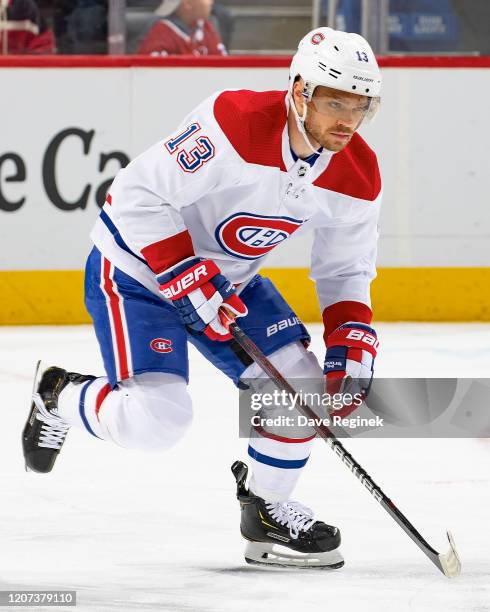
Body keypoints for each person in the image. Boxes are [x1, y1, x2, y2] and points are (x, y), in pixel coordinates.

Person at [22, 27, 382, 569]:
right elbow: (135, 194)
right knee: (157, 422)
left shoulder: (356, 173)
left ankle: (266, 511)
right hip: (138, 273)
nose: (348, 120)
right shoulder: (235, 123)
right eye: (335, 102)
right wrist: (185, 273)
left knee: (301, 391)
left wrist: (351, 342)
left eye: (360, 106)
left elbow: (346, 267)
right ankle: (58, 394)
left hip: (230, 287)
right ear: (300, 90)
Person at [137, 0, 226, 56]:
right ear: (187, 3)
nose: (211, 2)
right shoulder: (161, 34)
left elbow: (223, 63)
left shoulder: (206, 27)